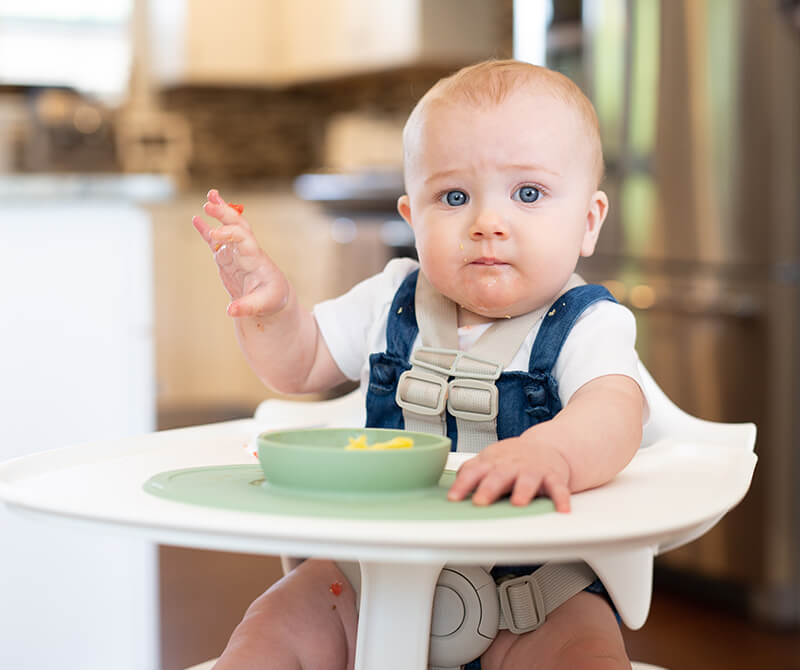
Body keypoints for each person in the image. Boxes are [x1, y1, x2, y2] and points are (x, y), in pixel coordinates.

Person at [193, 59, 646, 670]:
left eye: (528, 194)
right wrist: (271, 306)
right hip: (367, 579)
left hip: (534, 598)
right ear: (413, 218)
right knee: (267, 633)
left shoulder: (587, 324)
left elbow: (616, 410)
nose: (488, 223)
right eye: (454, 196)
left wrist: (554, 453)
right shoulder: (391, 298)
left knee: (586, 655)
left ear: (588, 221)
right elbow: (299, 365)